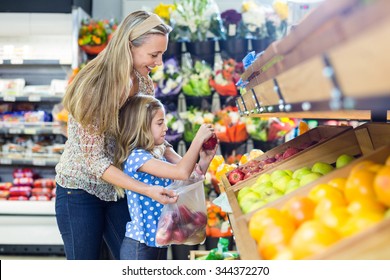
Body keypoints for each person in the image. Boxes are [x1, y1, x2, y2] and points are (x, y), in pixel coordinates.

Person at [55, 11, 181, 260]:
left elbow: (145, 136)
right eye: (154, 54)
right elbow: (96, 162)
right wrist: (147, 189)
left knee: (136, 260)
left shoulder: (142, 82)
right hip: (79, 190)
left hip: (119, 189)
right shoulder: (94, 86)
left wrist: (183, 164)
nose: (159, 63)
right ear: (128, 47)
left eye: (162, 54)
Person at [113, 94, 218, 260]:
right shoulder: (137, 158)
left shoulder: (157, 154)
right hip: (140, 246)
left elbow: (187, 180)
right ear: (141, 127)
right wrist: (197, 140)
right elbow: (181, 171)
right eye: (159, 123)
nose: (166, 128)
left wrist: (204, 160)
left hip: (159, 241)